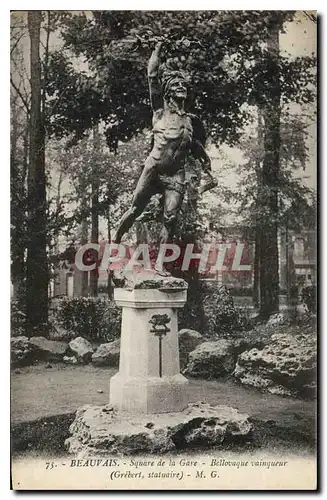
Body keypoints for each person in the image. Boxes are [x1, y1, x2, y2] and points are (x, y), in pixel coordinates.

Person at [114, 41, 217, 273]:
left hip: (175, 176)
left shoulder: (189, 121)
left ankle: (160, 265)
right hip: (154, 169)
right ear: (168, 91)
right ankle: (115, 243)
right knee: (135, 210)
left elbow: (195, 147)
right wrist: (158, 48)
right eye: (176, 84)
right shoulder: (159, 112)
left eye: (183, 84)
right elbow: (152, 75)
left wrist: (207, 165)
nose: (181, 87)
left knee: (170, 219)